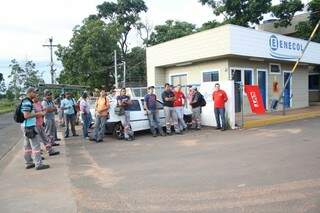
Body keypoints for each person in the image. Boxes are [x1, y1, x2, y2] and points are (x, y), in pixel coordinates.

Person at [21, 87, 50, 170]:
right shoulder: (27, 102)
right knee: (36, 146)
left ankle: (29, 163)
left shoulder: (26, 101)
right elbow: (26, 116)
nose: (36, 94)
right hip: (29, 126)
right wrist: (38, 114)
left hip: (25, 126)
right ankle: (39, 164)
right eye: (34, 92)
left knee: (27, 146)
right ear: (30, 92)